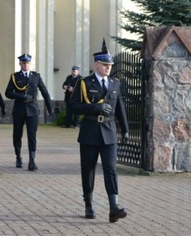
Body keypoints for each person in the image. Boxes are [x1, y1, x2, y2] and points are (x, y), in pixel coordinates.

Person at [68, 40, 129, 223]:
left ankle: (114, 207)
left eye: (110, 65)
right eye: (104, 65)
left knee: (111, 169)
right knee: (88, 170)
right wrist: (95, 108)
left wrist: (125, 129)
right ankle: (89, 204)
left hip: (109, 131)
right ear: (96, 65)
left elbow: (120, 108)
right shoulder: (84, 83)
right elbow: (73, 106)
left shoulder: (115, 84)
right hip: (90, 131)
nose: (108, 68)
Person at [5, 53, 53, 171]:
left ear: (30, 64)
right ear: (20, 64)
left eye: (27, 63)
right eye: (23, 63)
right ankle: (18, 156)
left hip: (32, 110)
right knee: (17, 135)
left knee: (32, 136)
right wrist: (21, 96)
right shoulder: (15, 77)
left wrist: (50, 107)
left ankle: (32, 160)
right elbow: (8, 93)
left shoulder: (36, 76)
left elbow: (44, 92)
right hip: (19, 110)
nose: (26, 65)